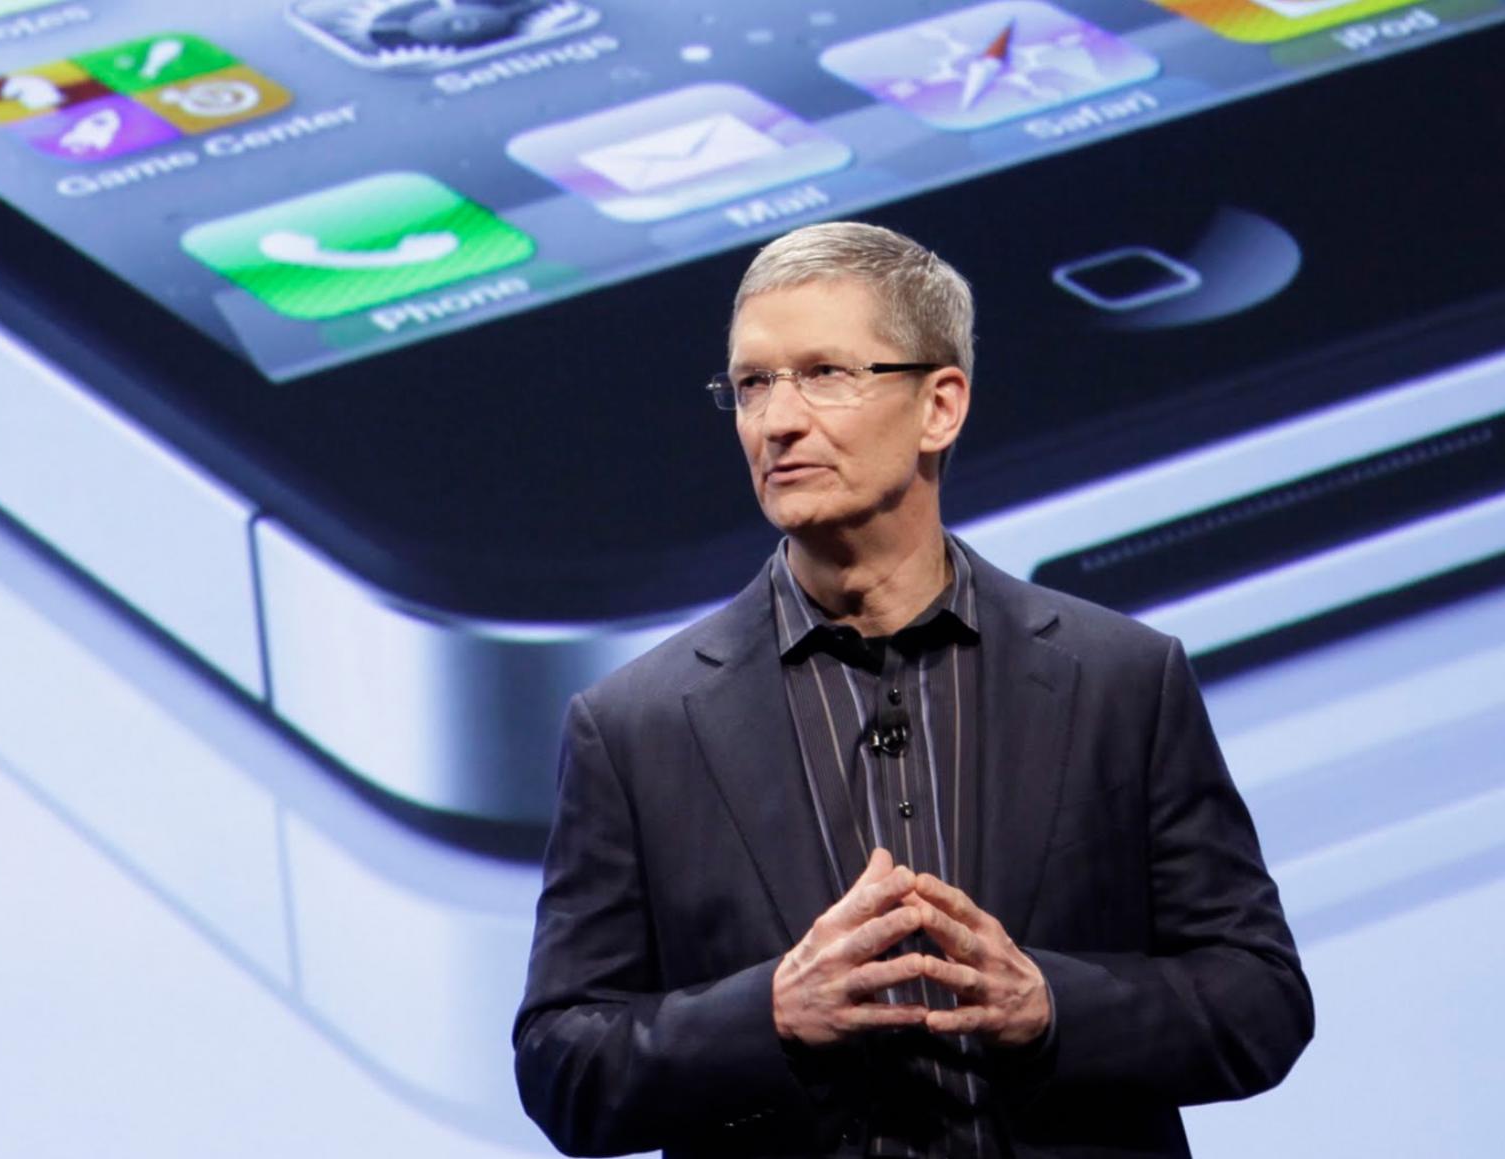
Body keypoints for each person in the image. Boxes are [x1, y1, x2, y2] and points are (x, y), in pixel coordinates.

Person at [513, 222, 1313, 1159]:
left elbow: (1259, 998)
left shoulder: (1120, 678)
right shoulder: (634, 727)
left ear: (939, 406)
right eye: (752, 384)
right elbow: (562, 1067)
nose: (776, 421)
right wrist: (768, 1014)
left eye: (824, 373)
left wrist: (1051, 1005)